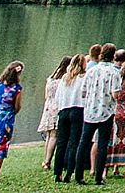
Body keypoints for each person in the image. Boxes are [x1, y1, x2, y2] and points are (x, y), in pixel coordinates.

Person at [80, 44, 120, 183]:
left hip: (90, 110)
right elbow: (115, 94)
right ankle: (98, 177)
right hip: (106, 112)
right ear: (113, 56)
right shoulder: (114, 72)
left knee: (84, 142)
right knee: (102, 144)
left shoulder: (92, 70)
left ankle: (79, 175)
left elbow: (83, 92)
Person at [51, 53, 88, 183]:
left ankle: (58, 172)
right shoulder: (83, 78)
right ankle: (69, 171)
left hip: (63, 111)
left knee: (61, 143)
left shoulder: (64, 79)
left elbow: (57, 98)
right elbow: (85, 96)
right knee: (73, 143)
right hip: (77, 110)